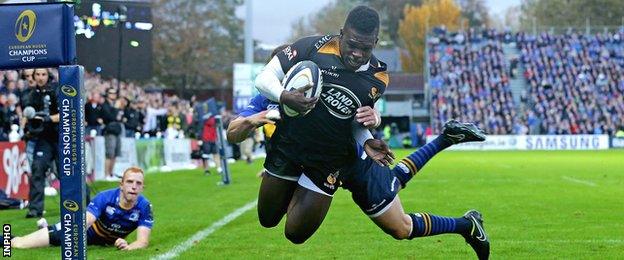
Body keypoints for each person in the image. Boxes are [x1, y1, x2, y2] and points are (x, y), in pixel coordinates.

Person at [253, 5, 392, 243]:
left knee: (295, 234)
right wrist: (285, 96)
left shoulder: (378, 78)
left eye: (365, 48)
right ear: (341, 33)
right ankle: (292, 184)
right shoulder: (311, 47)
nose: (357, 53)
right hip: (289, 146)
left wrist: (366, 139)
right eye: (352, 44)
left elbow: (353, 119)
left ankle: (305, 189)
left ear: (376, 42)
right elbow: (264, 78)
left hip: (328, 160)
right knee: (267, 219)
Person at [11, 167, 153, 250]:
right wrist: (61, 235)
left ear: (142, 187)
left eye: (138, 183)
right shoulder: (105, 197)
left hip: (103, 243)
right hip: (79, 233)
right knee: (19, 244)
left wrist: (128, 247)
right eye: (129, 182)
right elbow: (81, 225)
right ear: (121, 185)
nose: (134, 186)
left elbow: (142, 241)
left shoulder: (145, 206)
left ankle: (46, 228)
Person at [22, 68, 60, 218]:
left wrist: (49, 118)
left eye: (43, 74)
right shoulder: (31, 95)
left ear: (48, 75)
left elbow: (66, 112)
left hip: (60, 137)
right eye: (37, 74)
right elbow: (28, 115)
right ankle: (35, 209)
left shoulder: (57, 90)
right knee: (37, 168)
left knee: (67, 172)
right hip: (43, 139)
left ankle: (84, 204)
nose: (40, 77)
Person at [101, 88, 124, 181]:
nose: (113, 95)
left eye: (115, 93)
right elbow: (110, 117)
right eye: (111, 93)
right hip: (110, 131)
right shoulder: (105, 105)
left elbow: (120, 116)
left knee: (115, 153)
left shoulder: (115, 105)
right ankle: (106, 174)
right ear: (107, 94)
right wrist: (116, 108)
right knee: (109, 153)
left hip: (117, 130)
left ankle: (111, 173)